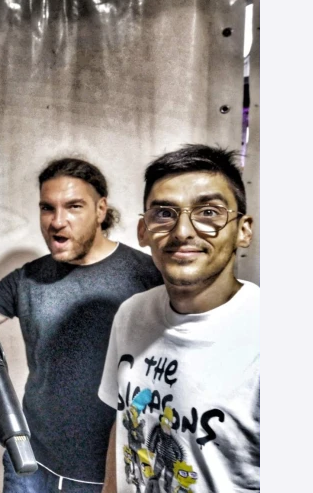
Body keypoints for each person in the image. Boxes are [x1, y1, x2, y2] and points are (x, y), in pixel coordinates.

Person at [0, 158, 163, 492]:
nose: (57, 221)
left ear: (101, 209)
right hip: (30, 466)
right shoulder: (29, 278)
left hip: (109, 473)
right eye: (47, 208)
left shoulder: (148, 275)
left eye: (74, 207)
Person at [97, 145, 259, 493]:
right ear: (143, 231)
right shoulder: (131, 314)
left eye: (209, 212)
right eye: (164, 214)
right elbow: (122, 424)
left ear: (243, 230)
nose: (183, 231)